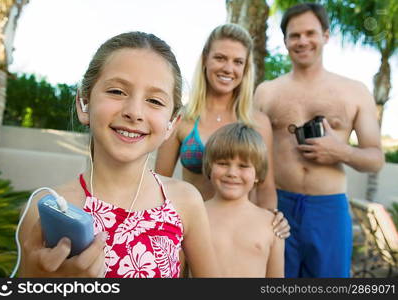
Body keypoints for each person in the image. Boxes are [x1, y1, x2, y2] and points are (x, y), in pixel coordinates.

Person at [16, 32, 219, 278]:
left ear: (171, 124)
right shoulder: (45, 212)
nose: (134, 112)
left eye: (154, 100)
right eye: (117, 92)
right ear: (83, 103)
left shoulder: (185, 202)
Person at [254, 3, 384, 278]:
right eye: (295, 35)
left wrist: (341, 151)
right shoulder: (266, 93)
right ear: (286, 40)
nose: (302, 41)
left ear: (325, 35)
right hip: (278, 205)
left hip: (328, 209)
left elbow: (375, 159)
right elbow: (252, 157)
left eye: (310, 33)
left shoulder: (355, 92)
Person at [155, 23, 290, 238]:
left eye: (238, 62)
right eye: (220, 58)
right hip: (190, 233)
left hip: (241, 234)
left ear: (245, 69)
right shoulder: (182, 119)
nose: (228, 68)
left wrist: (271, 225)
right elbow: (159, 184)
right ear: (205, 59)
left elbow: (265, 187)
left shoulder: (258, 122)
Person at [203, 123, 284, 277]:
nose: (232, 172)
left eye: (243, 166)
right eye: (222, 163)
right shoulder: (194, 218)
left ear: (258, 174)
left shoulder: (272, 224)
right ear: (209, 166)